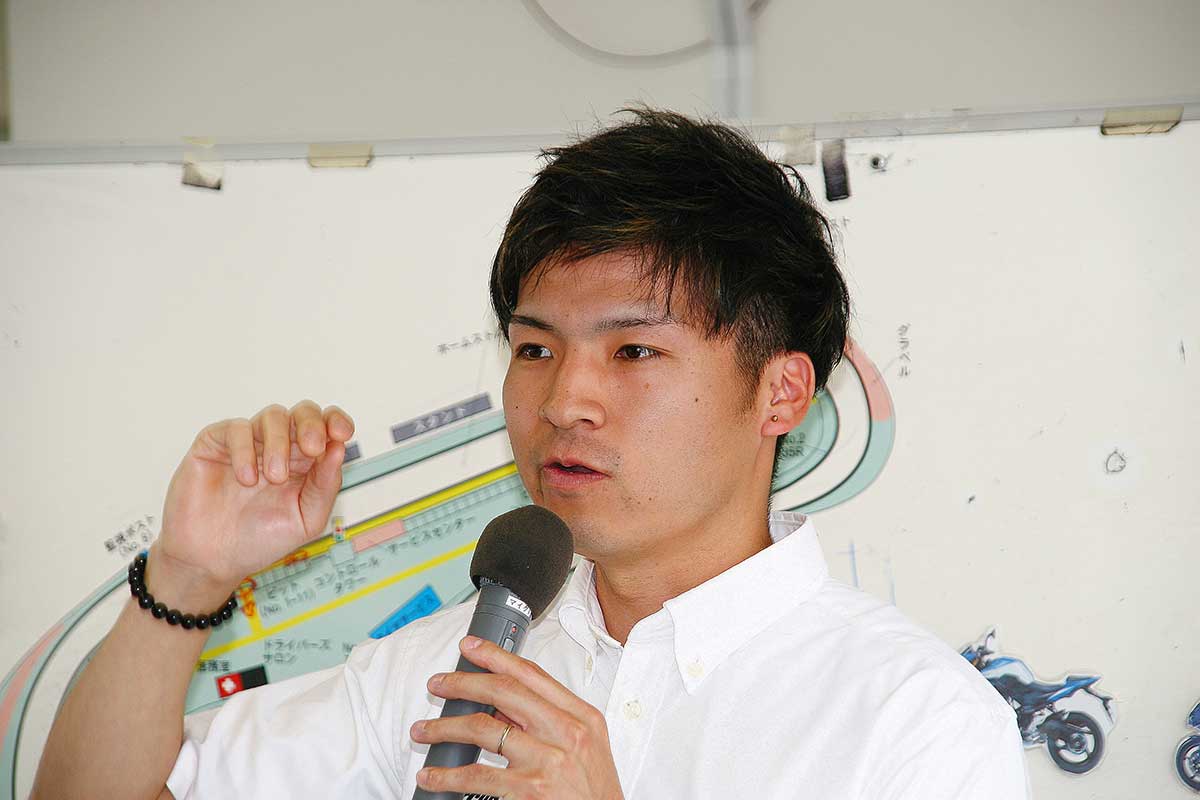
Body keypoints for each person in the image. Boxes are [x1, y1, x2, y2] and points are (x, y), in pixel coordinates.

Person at [32, 107, 1030, 799]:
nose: (563, 402)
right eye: (535, 349)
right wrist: (186, 577)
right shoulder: (451, 667)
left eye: (633, 351)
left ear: (782, 392)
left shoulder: (911, 716)